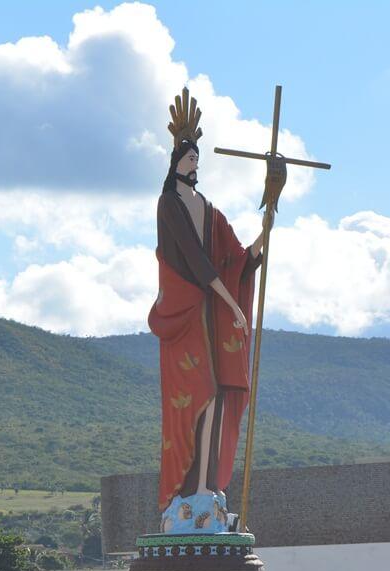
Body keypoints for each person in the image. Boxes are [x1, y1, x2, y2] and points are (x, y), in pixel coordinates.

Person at [148, 94, 285, 533]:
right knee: (198, 396)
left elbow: (238, 259)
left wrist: (272, 203)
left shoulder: (208, 208)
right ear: (175, 162)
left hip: (209, 317)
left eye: (196, 157)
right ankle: (187, 493)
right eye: (187, 156)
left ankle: (206, 488)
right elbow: (199, 264)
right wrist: (231, 306)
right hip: (187, 319)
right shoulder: (169, 204)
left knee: (218, 400)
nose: (193, 162)